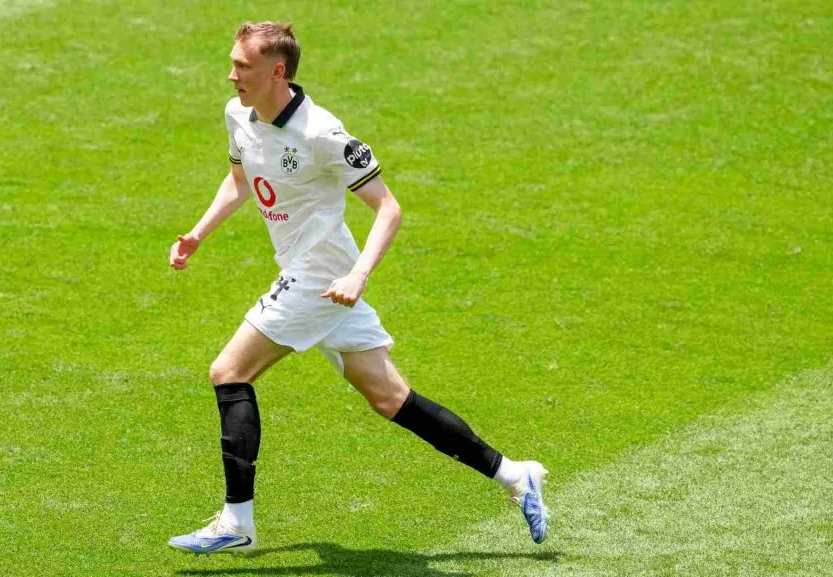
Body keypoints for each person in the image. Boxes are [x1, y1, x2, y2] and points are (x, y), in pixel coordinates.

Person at [166, 21, 549, 555]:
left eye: (243, 67)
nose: (231, 75)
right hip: (321, 280)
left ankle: (237, 522)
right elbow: (239, 182)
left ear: (277, 71)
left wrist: (357, 275)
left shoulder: (323, 134)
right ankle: (514, 474)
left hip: (322, 277)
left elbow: (388, 208)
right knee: (391, 398)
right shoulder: (239, 116)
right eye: (232, 64)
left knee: (229, 372)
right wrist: (198, 234)